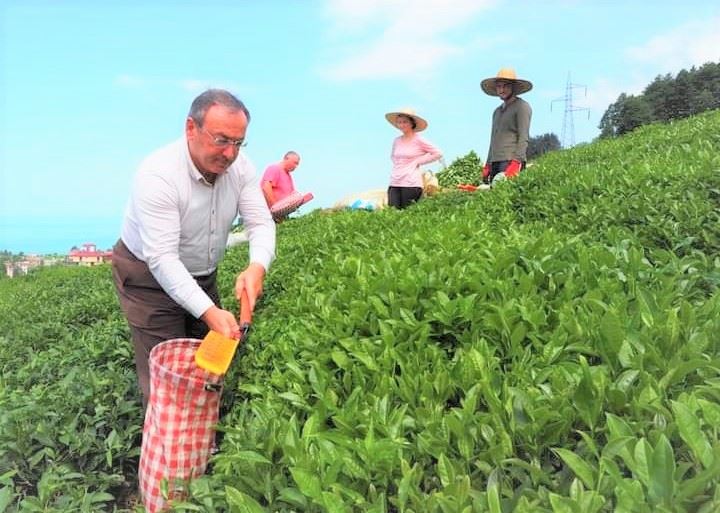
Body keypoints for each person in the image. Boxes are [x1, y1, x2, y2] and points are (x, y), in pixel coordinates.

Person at [111, 89, 276, 409]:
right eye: (221, 140)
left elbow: (261, 222)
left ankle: (204, 441)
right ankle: (167, 452)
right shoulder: (158, 175)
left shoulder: (240, 168)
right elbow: (162, 259)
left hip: (202, 273)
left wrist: (257, 266)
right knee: (169, 377)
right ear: (191, 128)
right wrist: (209, 310)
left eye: (238, 143)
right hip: (148, 278)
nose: (230, 153)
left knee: (209, 363)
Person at [481, 68, 533, 184]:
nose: (502, 89)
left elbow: (523, 137)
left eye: (505, 86)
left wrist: (517, 162)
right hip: (496, 161)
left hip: (510, 160)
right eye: (499, 86)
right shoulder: (497, 112)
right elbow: (493, 140)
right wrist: (488, 164)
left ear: (513, 87)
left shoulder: (522, 107)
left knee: (508, 196)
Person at [385, 107, 442, 209]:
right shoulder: (397, 141)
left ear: (412, 123)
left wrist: (418, 161)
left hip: (411, 183)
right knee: (392, 212)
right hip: (395, 181)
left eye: (405, 122)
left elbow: (437, 153)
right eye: (399, 122)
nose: (402, 124)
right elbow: (393, 157)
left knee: (408, 212)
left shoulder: (419, 139)